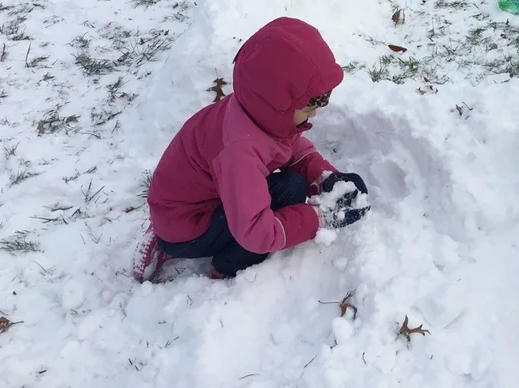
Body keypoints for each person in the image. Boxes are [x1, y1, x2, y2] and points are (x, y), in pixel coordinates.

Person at [132, 17, 369, 282]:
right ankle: (222, 265)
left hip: (189, 201)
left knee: (292, 185)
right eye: (307, 108)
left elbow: (292, 148)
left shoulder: (255, 111)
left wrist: (326, 180)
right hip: (188, 225)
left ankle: (169, 231)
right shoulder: (240, 152)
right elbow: (256, 233)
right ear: (277, 104)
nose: (313, 114)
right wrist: (320, 217)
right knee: (288, 194)